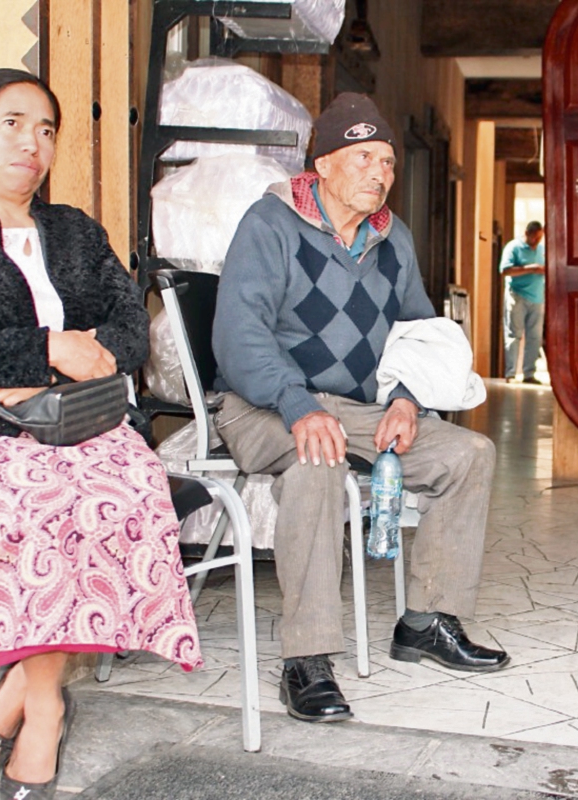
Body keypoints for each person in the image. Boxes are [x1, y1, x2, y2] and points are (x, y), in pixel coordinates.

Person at [0, 69, 202, 800]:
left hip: (84, 421)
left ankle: (13, 697)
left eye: (46, 129)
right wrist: (46, 349)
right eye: (12, 123)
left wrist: (61, 366)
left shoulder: (76, 232)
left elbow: (129, 329)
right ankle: (47, 709)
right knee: (48, 504)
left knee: (128, 488)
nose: (32, 142)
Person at [213, 92, 509, 724]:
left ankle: (427, 621)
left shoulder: (392, 237)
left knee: (468, 454)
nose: (381, 173)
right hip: (262, 404)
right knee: (317, 462)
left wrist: (406, 398)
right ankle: (308, 657)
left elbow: (419, 331)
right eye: (364, 157)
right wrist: (297, 403)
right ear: (322, 163)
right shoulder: (269, 224)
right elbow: (239, 335)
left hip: (352, 408)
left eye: (388, 161)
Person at [499, 220, 546, 384]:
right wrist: (531, 268)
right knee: (514, 335)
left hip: (537, 298)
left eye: (539, 238)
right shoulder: (513, 247)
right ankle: (511, 373)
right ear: (527, 233)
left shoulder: (542, 250)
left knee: (535, 337)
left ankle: (529, 374)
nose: (536, 241)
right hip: (517, 296)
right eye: (534, 238)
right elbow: (505, 270)